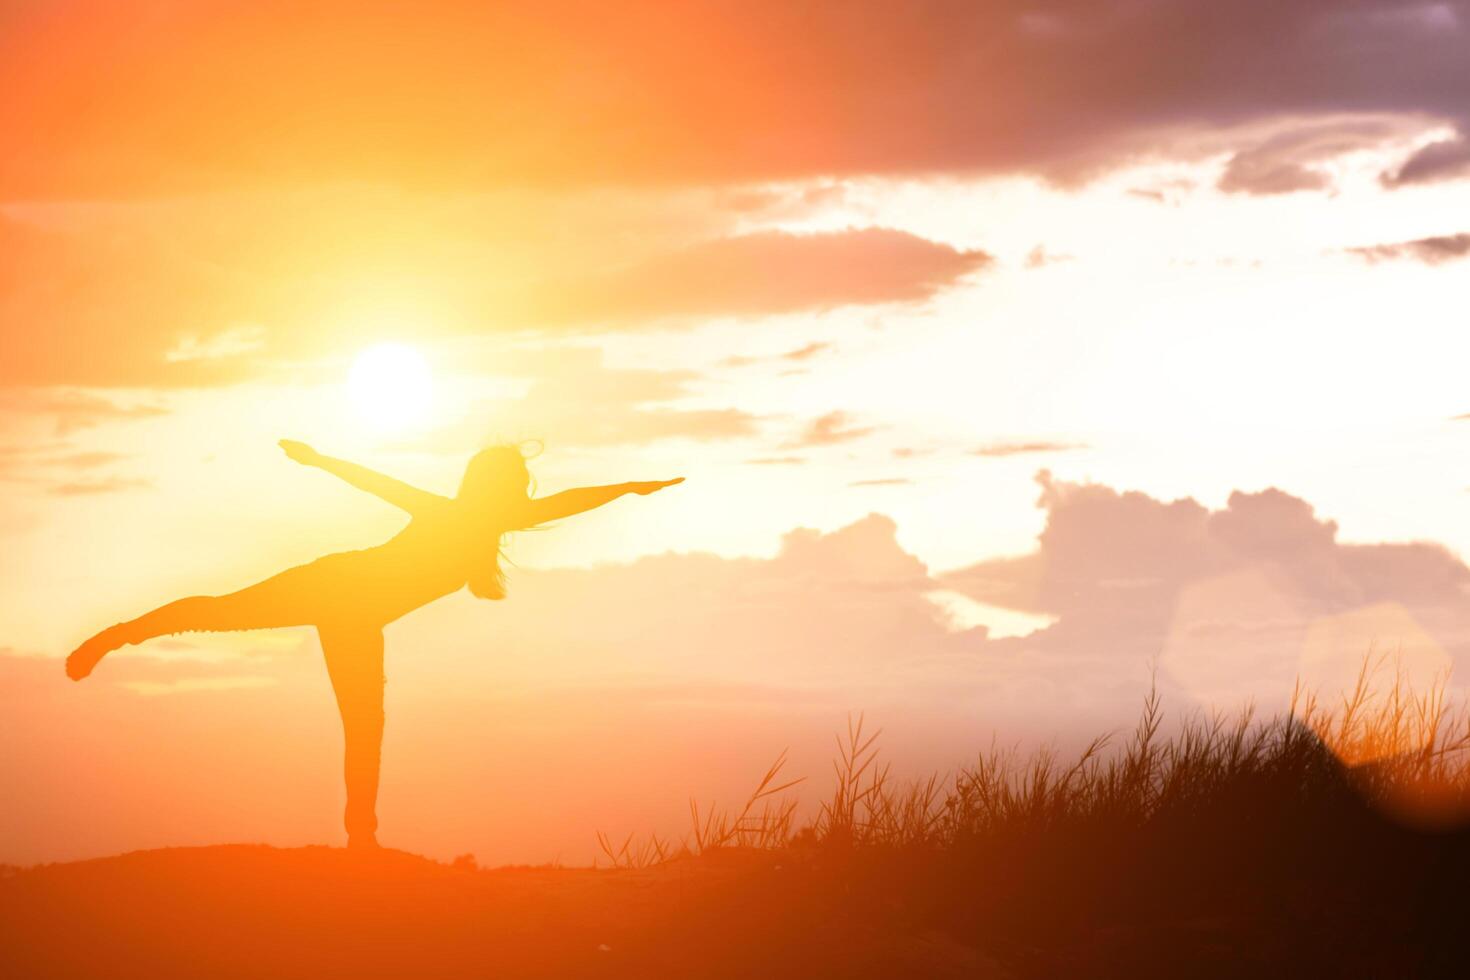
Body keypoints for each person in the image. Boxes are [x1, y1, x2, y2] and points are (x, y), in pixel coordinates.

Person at [66, 439, 683, 848]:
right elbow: (373, 481)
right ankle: (117, 636)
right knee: (219, 613)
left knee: (366, 722)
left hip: (357, 620)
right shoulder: (449, 513)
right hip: (332, 584)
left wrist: (628, 488)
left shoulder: (494, 523)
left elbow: (570, 501)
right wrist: (317, 460)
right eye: (517, 480)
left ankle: (362, 835)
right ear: (499, 485)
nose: (523, 489)